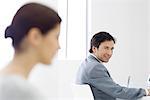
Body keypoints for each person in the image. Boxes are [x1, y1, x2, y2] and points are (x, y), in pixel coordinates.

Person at [0, 3, 61, 100]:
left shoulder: (5, 80)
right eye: (56, 37)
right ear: (35, 36)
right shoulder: (21, 92)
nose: (58, 46)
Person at [76, 31, 150, 100]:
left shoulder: (86, 63)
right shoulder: (95, 67)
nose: (110, 53)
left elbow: (113, 89)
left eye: (112, 49)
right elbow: (117, 91)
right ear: (94, 48)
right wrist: (145, 91)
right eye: (106, 48)